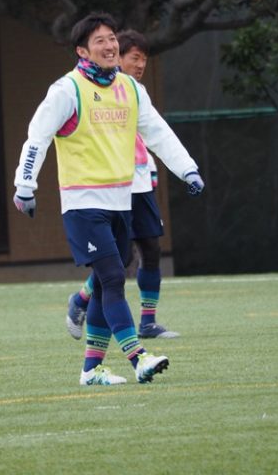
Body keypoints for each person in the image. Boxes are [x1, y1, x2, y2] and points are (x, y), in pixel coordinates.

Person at [13, 13, 204, 385]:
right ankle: (138, 357)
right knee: (114, 277)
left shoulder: (131, 88)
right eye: (99, 40)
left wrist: (187, 169)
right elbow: (37, 136)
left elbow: (158, 132)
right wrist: (25, 185)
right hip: (83, 204)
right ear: (82, 51)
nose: (110, 45)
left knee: (103, 284)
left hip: (122, 202)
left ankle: (91, 369)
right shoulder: (66, 89)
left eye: (112, 38)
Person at [66, 29, 180, 341]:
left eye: (144, 59)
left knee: (151, 248)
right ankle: (82, 300)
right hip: (111, 186)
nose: (140, 65)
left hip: (140, 180)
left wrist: (155, 168)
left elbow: (151, 135)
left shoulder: (136, 91)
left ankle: (148, 322)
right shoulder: (93, 89)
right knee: (120, 259)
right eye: (135, 58)